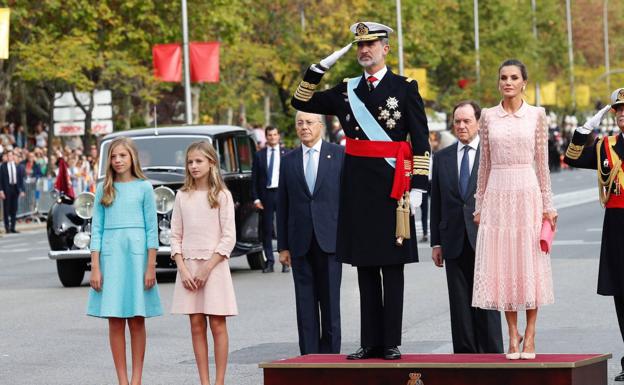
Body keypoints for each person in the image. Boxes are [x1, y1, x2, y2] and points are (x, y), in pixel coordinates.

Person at [291, 21, 430, 360]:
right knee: (365, 267)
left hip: (393, 186)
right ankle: (370, 341)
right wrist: (319, 68)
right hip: (356, 188)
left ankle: (391, 341)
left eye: (372, 44)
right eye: (360, 46)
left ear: (385, 48)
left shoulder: (405, 87)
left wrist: (419, 189)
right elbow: (299, 99)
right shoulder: (346, 89)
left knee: (392, 268)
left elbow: (421, 141)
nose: (365, 50)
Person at [472, 59, 557, 360]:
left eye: (514, 77)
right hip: (497, 192)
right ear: (499, 83)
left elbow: (543, 164)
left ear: (524, 82)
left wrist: (548, 205)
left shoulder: (537, 115)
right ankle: (512, 334)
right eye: (503, 78)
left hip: (527, 191)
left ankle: (531, 334)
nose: (508, 82)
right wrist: (479, 203)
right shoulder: (488, 117)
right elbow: (484, 164)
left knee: (528, 263)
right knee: (503, 264)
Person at [86, 136, 162, 385]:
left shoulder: (144, 187)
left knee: (137, 319)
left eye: (123, 156)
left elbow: (152, 229)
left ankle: (137, 378)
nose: (118, 160)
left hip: (137, 258)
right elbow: (96, 229)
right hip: (111, 257)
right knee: (115, 320)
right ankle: (122, 380)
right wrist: (95, 267)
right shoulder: (103, 189)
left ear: (132, 158)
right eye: (114, 156)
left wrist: (151, 265)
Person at [430, 101, 503, 354]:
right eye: (457, 121)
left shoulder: (492, 154)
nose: (461, 126)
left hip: (484, 239)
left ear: (479, 122)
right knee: (459, 305)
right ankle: (464, 359)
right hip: (453, 240)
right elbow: (436, 201)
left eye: (466, 121)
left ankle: (492, 358)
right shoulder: (441, 157)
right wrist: (436, 242)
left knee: (487, 302)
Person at [563, 88, 624, 381]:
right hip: (616, 228)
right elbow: (572, 158)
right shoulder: (605, 146)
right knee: (622, 298)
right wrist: (584, 130)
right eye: (619, 110)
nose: (623, 115)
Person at [276, 111, 344, 355]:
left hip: (330, 242)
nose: (304, 127)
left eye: (309, 123)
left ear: (321, 126)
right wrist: (282, 246)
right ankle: (308, 360)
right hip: (299, 243)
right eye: (299, 123)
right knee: (305, 306)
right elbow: (282, 205)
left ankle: (331, 360)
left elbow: (347, 201)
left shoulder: (338, 155)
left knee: (330, 305)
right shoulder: (289, 159)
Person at [170, 141, 237, 385]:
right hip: (189, 268)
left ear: (211, 163)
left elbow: (229, 237)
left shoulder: (222, 195)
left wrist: (208, 267)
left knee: (217, 323)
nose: (194, 166)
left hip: (214, 267)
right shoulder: (181, 196)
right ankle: (204, 382)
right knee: (196, 324)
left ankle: (219, 381)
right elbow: (175, 235)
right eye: (190, 162)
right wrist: (183, 268)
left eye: (199, 161)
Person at [251, 126, 288, 273]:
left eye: (275, 134)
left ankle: (286, 261)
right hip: (266, 195)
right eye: (270, 135)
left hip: (282, 194)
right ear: (266, 137)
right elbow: (254, 179)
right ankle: (270, 262)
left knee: (283, 228)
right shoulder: (259, 155)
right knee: (266, 230)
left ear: (278, 136)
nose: (272, 137)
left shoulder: (287, 154)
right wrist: (256, 199)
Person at [0, 149, 26, 233]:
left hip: (15, 188)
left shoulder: (17, 166)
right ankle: (7, 228)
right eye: (9, 156)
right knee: (6, 209)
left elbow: (20, 179)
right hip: (7, 189)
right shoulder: (3, 166)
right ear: (7, 157)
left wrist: (22, 190)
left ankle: (13, 227)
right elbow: (0, 180)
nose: (11, 157)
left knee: (14, 209)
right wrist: (1, 191)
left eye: (12, 155)